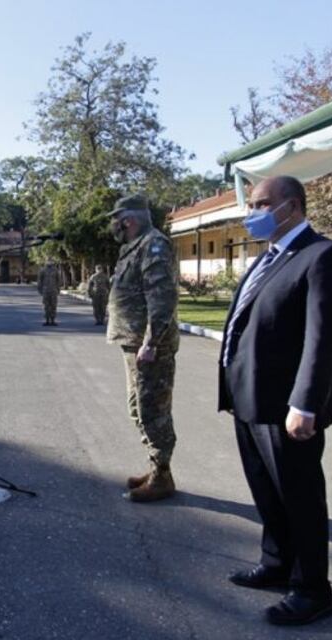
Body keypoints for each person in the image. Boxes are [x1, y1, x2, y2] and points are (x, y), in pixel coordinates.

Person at [219, 176, 332, 627]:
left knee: (300, 498)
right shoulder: (269, 257)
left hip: (288, 406)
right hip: (250, 398)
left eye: (261, 204)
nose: (252, 213)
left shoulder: (325, 257)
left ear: (292, 206)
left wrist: (306, 403)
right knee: (266, 491)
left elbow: (323, 339)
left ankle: (312, 589)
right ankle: (277, 564)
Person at [106, 194, 180, 503]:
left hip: (148, 348)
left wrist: (151, 342)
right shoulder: (133, 248)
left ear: (129, 220)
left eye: (116, 220)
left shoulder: (153, 245)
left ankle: (161, 476)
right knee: (138, 408)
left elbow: (162, 298)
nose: (114, 226)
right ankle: (156, 468)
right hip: (134, 344)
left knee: (153, 410)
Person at [37, 259, 61, 326]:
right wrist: (40, 289)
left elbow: (58, 280)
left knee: (53, 305)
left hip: (53, 290)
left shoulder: (55, 270)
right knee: (46, 306)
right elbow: (40, 280)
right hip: (45, 290)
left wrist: (58, 289)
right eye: (48, 261)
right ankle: (47, 320)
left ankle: (53, 320)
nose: (49, 262)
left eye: (51, 261)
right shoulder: (43, 270)